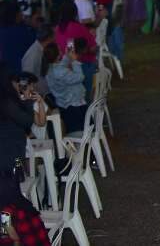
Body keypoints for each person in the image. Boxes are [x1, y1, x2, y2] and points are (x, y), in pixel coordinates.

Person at [0, 64, 50, 246]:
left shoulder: (7, 103)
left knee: (9, 206)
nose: (17, 86)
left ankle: (8, 232)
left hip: (9, 163)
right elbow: (27, 122)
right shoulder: (7, 103)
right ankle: (8, 232)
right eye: (15, 82)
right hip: (8, 163)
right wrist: (28, 103)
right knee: (13, 206)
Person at [53, 2, 97, 101]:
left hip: (63, 69)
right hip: (82, 66)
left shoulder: (57, 29)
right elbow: (93, 48)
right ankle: (88, 113)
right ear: (75, 13)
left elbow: (67, 49)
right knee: (85, 96)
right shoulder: (78, 28)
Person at [43, 42, 87, 133]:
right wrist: (75, 61)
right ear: (58, 55)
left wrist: (68, 55)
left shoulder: (50, 68)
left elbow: (62, 64)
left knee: (75, 130)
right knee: (79, 131)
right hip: (72, 105)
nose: (61, 51)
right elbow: (80, 77)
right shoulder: (59, 72)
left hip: (64, 104)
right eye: (60, 50)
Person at [0, 2, 36, 75]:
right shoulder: (23, 32)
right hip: (19, 75)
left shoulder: (4, 30)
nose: (22, 14)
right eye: (20, 12)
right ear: (16, 15)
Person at [21, 24, 55, 96]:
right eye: (54, 36)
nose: (55, 38)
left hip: (44, 91)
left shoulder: (42, 49)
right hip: (39, 94)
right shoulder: (33, 54)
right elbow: (26, 80)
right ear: (49, 38)